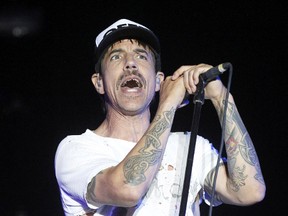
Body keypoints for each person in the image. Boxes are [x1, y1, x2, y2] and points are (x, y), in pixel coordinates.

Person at [54, 18, 266, 216]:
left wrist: (222, 99)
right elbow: (128, 189)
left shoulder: (189, 145)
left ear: (158, 81)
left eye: (141, 55)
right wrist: (168, 103)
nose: (130, 64)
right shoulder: (77, 148)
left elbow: (250, 191)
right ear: (99, 82)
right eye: (116, 56)